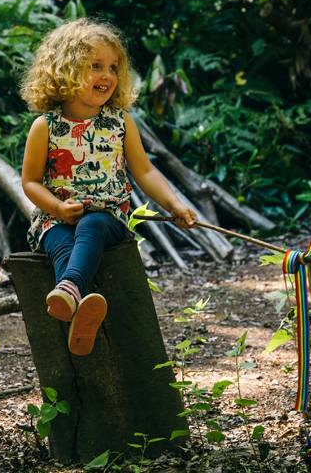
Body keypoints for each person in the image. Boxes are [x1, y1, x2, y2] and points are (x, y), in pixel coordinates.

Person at [19, 18, 198, 356]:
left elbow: (144, 172)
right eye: (95, 66)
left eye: (113, 67)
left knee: (92, 224)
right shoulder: (46, 127)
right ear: (65, 70)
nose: (108, 75)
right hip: (56, 218)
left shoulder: (120, 122)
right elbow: (30, 182)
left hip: (107, 216)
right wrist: (56, 209)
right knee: (57, 241)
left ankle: (70, 287)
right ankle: (76, 314)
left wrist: (174, 205)